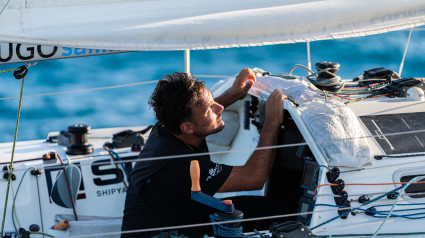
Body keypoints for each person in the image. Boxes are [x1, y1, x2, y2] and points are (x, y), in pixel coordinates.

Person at [121, 68, 288, 237]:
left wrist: (233, 95)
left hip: (180, 214)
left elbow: (199, 115)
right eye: (210, 109)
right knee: (273, 214)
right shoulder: (180, 164)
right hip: (164, 231)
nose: (220, 107)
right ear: (187, 127)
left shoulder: (166, 126)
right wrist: (272, 123)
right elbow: (254, 178)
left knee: (267, 209)